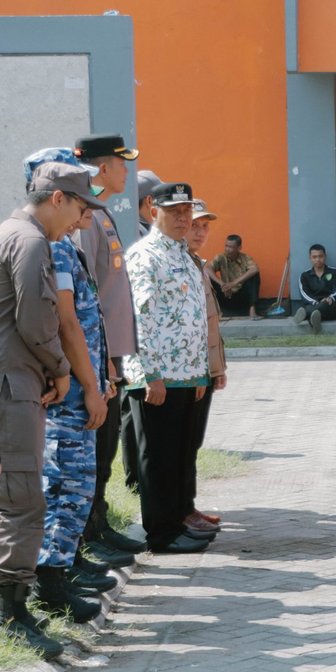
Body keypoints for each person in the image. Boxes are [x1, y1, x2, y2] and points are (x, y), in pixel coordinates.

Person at [0, 161, 106, 660]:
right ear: (57, 199)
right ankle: (8, 613)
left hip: (12, 380)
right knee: (20, 495)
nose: (80, 219)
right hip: (10, 384)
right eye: (80, 206)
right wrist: (62, 369)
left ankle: (5, 606)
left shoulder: (20, 235)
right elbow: (36, 318)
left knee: (16, 494)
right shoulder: (28, 241)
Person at [24, 148, 113, 624]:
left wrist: (102, 377)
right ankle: (50, 583)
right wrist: (91, 386)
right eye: (79, 202)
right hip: (71, 393)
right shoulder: (53, 245)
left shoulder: (60, 241)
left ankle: (61, 571)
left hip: (84, 383)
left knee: (77, 486)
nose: (83, 215)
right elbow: (66, 324)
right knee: (65, 486)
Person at [123, 181, 214, 554]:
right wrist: (150, 374)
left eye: (186, 211)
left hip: (186, 374)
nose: (182, 218)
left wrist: (200, 372)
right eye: (174, 211)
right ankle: (160, 533)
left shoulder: (183, 253)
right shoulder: (146, 255)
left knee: (179, 453)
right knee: (158, 456)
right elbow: (140, 317)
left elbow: (192, 317)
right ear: (153, 209)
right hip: (158, 376)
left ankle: (177, 521)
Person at [73, 134, 148, 563]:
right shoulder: (85, 218)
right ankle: (86, 535)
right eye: (122, 164)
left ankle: (98, 523)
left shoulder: (98, 212)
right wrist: (101, 363)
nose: (126, 172)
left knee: (105, 450)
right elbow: (86, 297)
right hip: (98, 358)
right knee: (94, 451)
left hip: (110, 357)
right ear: (103, 167)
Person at [185, 200, 227, 535]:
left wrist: (217, 368)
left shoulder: (198, 263)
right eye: (194, 224)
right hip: (185, 369)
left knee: (192, 440)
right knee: (181, 444)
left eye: (204, 226)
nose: (200, 232)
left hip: (203, 367)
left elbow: (210, 323)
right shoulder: (179, 264)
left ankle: (187, 505)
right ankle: (181, 509)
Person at [293, 243, 336, 333]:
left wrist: (331, 298)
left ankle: (307, 315)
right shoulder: (305, 275)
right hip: (314, 303)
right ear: (310, 258)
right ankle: (314, 317)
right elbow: (304, 293)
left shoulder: (334, 272)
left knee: (317, 308)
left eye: (320, 256)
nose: (318, 259)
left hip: (331, 304)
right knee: (310, 308)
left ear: (325, 256)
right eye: (314, 257)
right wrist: (315, 302)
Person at [211, 234, 261, 318]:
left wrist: (233, 283)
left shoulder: (245, 258)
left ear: (239, 248)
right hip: (225, 295)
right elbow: (207, 268)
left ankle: (252, 310)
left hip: (241, 298)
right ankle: (214, 312)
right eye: (226, 246)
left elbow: (254, 269)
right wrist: (221, 284)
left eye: (231, 247)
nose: (227, 249)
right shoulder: (220, 257)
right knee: (207, 277)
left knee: (254, 275)